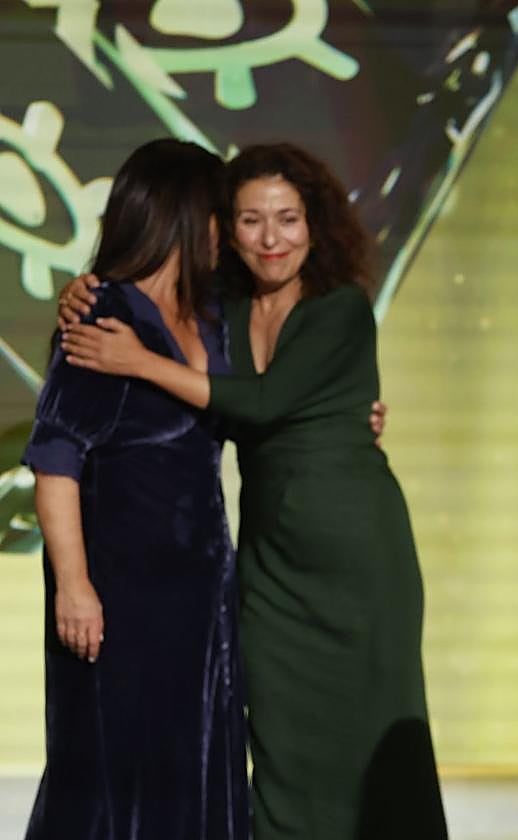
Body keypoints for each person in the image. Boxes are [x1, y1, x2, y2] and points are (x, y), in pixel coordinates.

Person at [59, 143, 446, 840]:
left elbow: (264, 403)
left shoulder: (341, 308)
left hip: (358, 560)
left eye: (288, 219)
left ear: (316, 224)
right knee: (280, 737)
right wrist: (83, 290)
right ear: (224, 230)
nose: (271, 238)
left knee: (378, 737)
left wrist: (137, 362)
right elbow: (202, 379)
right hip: (269, 564)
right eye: (251, 220)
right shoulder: (223, 310)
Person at [22, 139, 248, 838]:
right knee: (111, 771)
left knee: (195, 759)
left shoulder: (212, 314)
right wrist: (74, 586)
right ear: (184, 215)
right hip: (120, 592)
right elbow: (55, 462)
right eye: (218, 213)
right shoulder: (103, 314)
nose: (227, 231)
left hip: (199, 590)